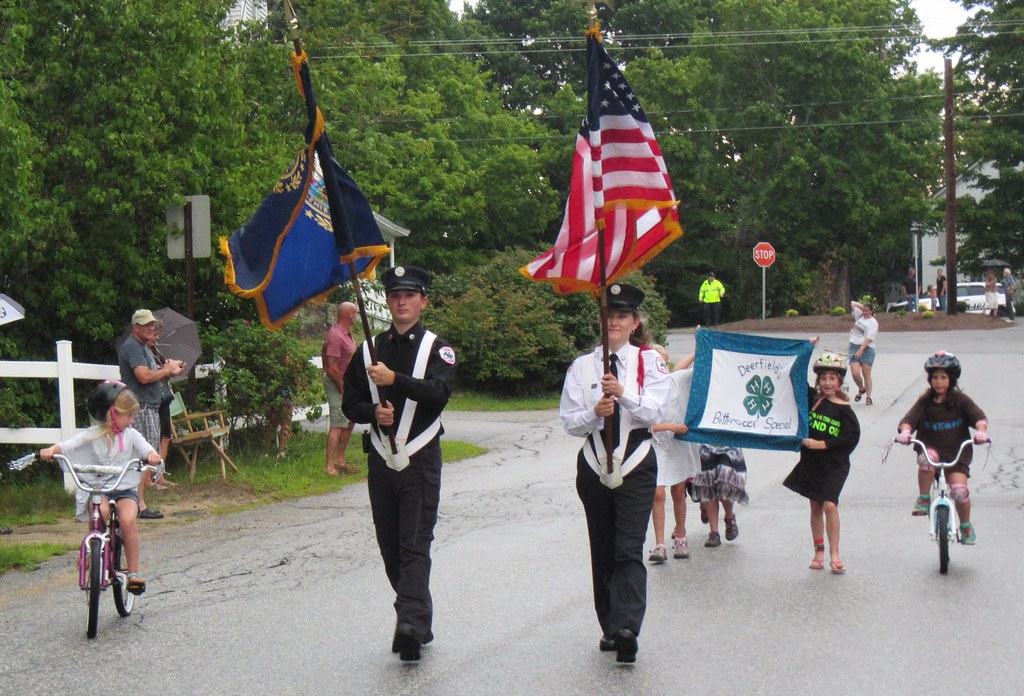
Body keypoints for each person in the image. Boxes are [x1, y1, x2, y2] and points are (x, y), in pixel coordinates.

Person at [342, 265, 457, 663]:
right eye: (395, 295)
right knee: (391, 547)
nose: (402, 301)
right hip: (381, 460)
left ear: (423, 301)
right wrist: (373, 413)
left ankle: (409, 624)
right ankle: (416, 616)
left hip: (420, 459)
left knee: (414, 543)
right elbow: (350, 403)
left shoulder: (437, 348)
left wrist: (395, 380)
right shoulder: (369, 349)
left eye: (409, 295)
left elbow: (439, 393)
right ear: (388, 302)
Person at [560, 283, 671, 663]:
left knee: (628, 547)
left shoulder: (649, 362)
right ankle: (609, 625)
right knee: (603, 547)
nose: (614, 322)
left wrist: (623, 393)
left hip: (636, 463)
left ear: (634, 322)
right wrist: (595, 413)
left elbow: (657, 411)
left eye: (622, 316)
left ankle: (627, 627)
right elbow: (570, 422)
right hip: (594, 464)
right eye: (608, 315)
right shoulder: (582, 366)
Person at [39, 381, 161, 594]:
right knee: (99, 513)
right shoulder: (93, 434)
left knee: (128, 520)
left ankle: (133, 573)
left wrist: (152, 455)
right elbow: (69, 445)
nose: (132, 420)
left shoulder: (131, 435)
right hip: (100, 488)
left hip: (124, 489)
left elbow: (147, 449)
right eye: (129, 416)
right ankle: (93, 550)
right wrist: (51, 450)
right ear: (113, 414)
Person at [897, 352, 988, 543]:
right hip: (931, 451)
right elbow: (909, 420)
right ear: (930, 380)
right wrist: (905, 432)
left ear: (951, 379)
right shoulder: (925, 401)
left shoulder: (961, 400)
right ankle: (924, 498)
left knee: (959, 492)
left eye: (943, 378)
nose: (939, 382)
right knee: (926, 459)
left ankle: (965, 526)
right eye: (935, 378)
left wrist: (981, 432)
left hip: (956, 455)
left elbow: (979, 418)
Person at [783, 350, 861, 574]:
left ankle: (835, 554)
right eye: (823, 378)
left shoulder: (844, 410)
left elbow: (850, 438)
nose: (827, 382)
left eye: (832, 378)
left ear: (840, 382)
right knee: (816, 506)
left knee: (830, 504)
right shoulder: (812, 400)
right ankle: (819, 552)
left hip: (835, 466)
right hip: (811, 464)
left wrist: (823, 444)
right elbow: (796, 377)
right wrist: (806, 349)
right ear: (818, 380)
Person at [118, 309, 185, 519]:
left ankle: (136, 503)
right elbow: (144, 376)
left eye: (152, 324)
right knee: (140, 457)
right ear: (135, 327)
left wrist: (170, 370)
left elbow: (152, 374)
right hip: (141, 407)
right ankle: (138, 505)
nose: (151, 327)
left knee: (145, 456)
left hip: (149, 406)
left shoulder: (143, 347)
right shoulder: (132, 347)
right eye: (146, 324)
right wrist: (167, 370)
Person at [647, 348, 700, 564]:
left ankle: (680, 537)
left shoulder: (676, 380)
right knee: (657, 493)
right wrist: (669, 426)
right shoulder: (645, 388)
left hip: (678, 444)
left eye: (663, 363)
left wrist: (698, 350)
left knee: (678, 492)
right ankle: (660, 544)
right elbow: (643, 424)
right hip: (657, 444)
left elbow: (696, 371)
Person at [322, 302, 359, 476]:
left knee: (349, 421)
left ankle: (340, 460)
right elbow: (331, 367)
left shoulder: (346, 334)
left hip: (347, 384)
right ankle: (329, 466)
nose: (356, 317)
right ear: (349, 315)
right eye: (355, 314)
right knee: (338, 423)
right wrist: (342, 387)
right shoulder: (336, 336)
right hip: (336, 383)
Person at [690, 445, 747, 547]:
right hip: (705, 444)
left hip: (729, 444)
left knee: (726, 480)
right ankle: (714, 533)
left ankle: (729, 517)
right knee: (708, 484)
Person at [848, 300, 878, 406]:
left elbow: (869, 338)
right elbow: (852, 303)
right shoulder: (859, 316)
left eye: (867, 311)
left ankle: (868, 397)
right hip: (854, 346)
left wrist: (861, 350)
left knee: (866, 373)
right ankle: (861, 388)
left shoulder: (873, 323)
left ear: (871, 311)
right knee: (855, 373)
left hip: (867, 348)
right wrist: (863, 307)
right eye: (863, 310)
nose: (864, 312)